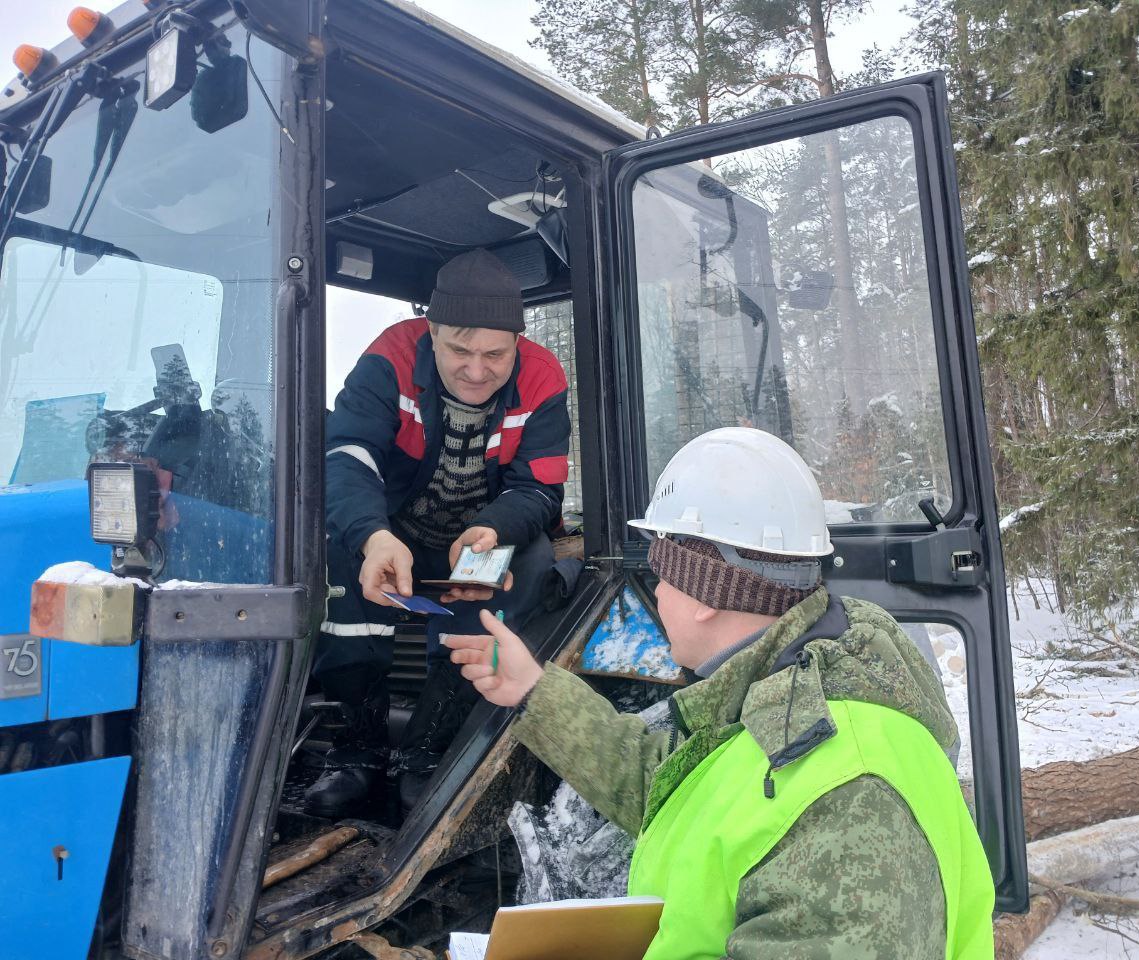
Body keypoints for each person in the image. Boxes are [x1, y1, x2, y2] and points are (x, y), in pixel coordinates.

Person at [445, 428, 994, 959]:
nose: (656, 588)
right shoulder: (789, 688)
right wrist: (533, 689)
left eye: (662, 570)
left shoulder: (851, 802)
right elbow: (682, 794)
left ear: (705, 593)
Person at [309, 248, 570, 817]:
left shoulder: (546, 379)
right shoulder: (389, 360)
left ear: (518, 345)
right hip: (393, 530)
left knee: (532, 561)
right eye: (459, 349)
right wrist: (371, 535)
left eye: (495, 355)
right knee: (334, 554)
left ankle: (430, 747)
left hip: (480, 538)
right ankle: (359, 744)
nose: (477, 370)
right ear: (430, 333)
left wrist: (492, 527)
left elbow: (541, 489)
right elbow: (346, 454)